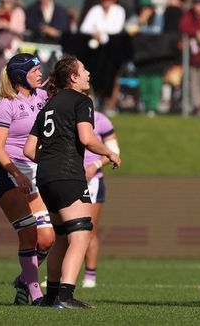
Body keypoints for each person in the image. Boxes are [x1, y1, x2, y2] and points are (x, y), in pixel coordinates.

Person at [22, 56, 121, 308]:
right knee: (81, 233)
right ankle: (65, 297)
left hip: (45, 176)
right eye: (84, 69)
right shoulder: (81, 100)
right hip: (68, 175)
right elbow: (87, 138)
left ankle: (52, 296)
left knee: (62, 236)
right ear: (73, 77)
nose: (89, 73)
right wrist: (109, 153)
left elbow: (29, 149)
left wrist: (52, 157)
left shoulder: (48, 105)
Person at [0, 53, 54, 305]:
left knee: (46, 238)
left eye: (39, 69)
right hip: (7, 173)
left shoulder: (42, 96)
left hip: (33, 171)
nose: (39, 73)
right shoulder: (5, 104)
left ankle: (24, 278)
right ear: (19, 77)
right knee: (28, 233)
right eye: (34, 70)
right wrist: (16, 173)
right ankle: (36, 295)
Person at [80, 105, 121, 288]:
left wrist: (94, 165)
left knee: (89, 229)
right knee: (63, 231)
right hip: (67, 177)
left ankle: (90, 275)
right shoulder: (65, 115)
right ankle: (56, 275)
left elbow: (114, 151)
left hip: (92, 180)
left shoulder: (101, 120)